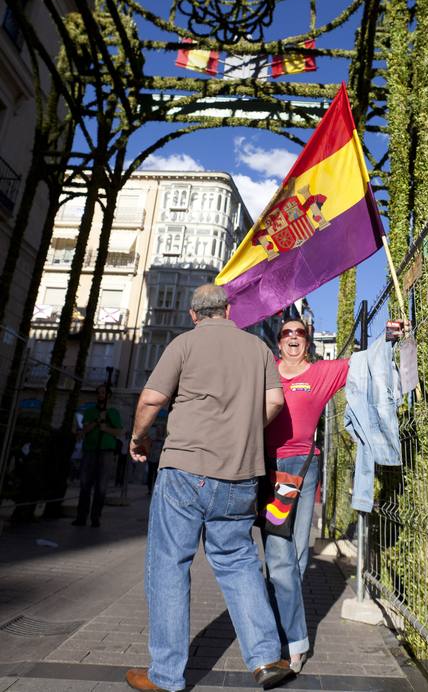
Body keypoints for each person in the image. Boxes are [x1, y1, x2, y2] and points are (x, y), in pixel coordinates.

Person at [124, 284, 294, 692]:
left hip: (184, 468)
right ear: (228, 310)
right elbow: (275, 403)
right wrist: (242, 430)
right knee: (238, 562)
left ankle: (166, 675)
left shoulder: (184, 343)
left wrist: (137, 439)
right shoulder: (257, 349)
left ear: (194, 314)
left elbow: (150, 400)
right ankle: (267, 658)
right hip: (238, 475)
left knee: (169, 565)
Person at [262, 319, 351, 675]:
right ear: (278, 342)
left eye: (300, 333)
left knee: (294, 552)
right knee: (277, 551)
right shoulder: (265, 370)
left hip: (299, 467)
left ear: (308, 341)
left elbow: (364, 362)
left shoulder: (319, 373)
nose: (294, 337)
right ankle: (287, 635)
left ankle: (288, 637)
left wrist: (393, 337)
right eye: (287, 333)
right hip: (263, 467)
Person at [72, 384, 122, 528]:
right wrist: (97, 421)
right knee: (85, 484)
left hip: (106, 451)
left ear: (109, 396)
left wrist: (106, 427)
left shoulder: (113, 412)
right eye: (99, 392)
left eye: (104, 393)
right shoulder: (90, 411)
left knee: (101, 486)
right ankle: (81, 516)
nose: (101, 395)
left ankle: (95, 517)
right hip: (90, 450)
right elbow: (84, 430)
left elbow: (118, 431)